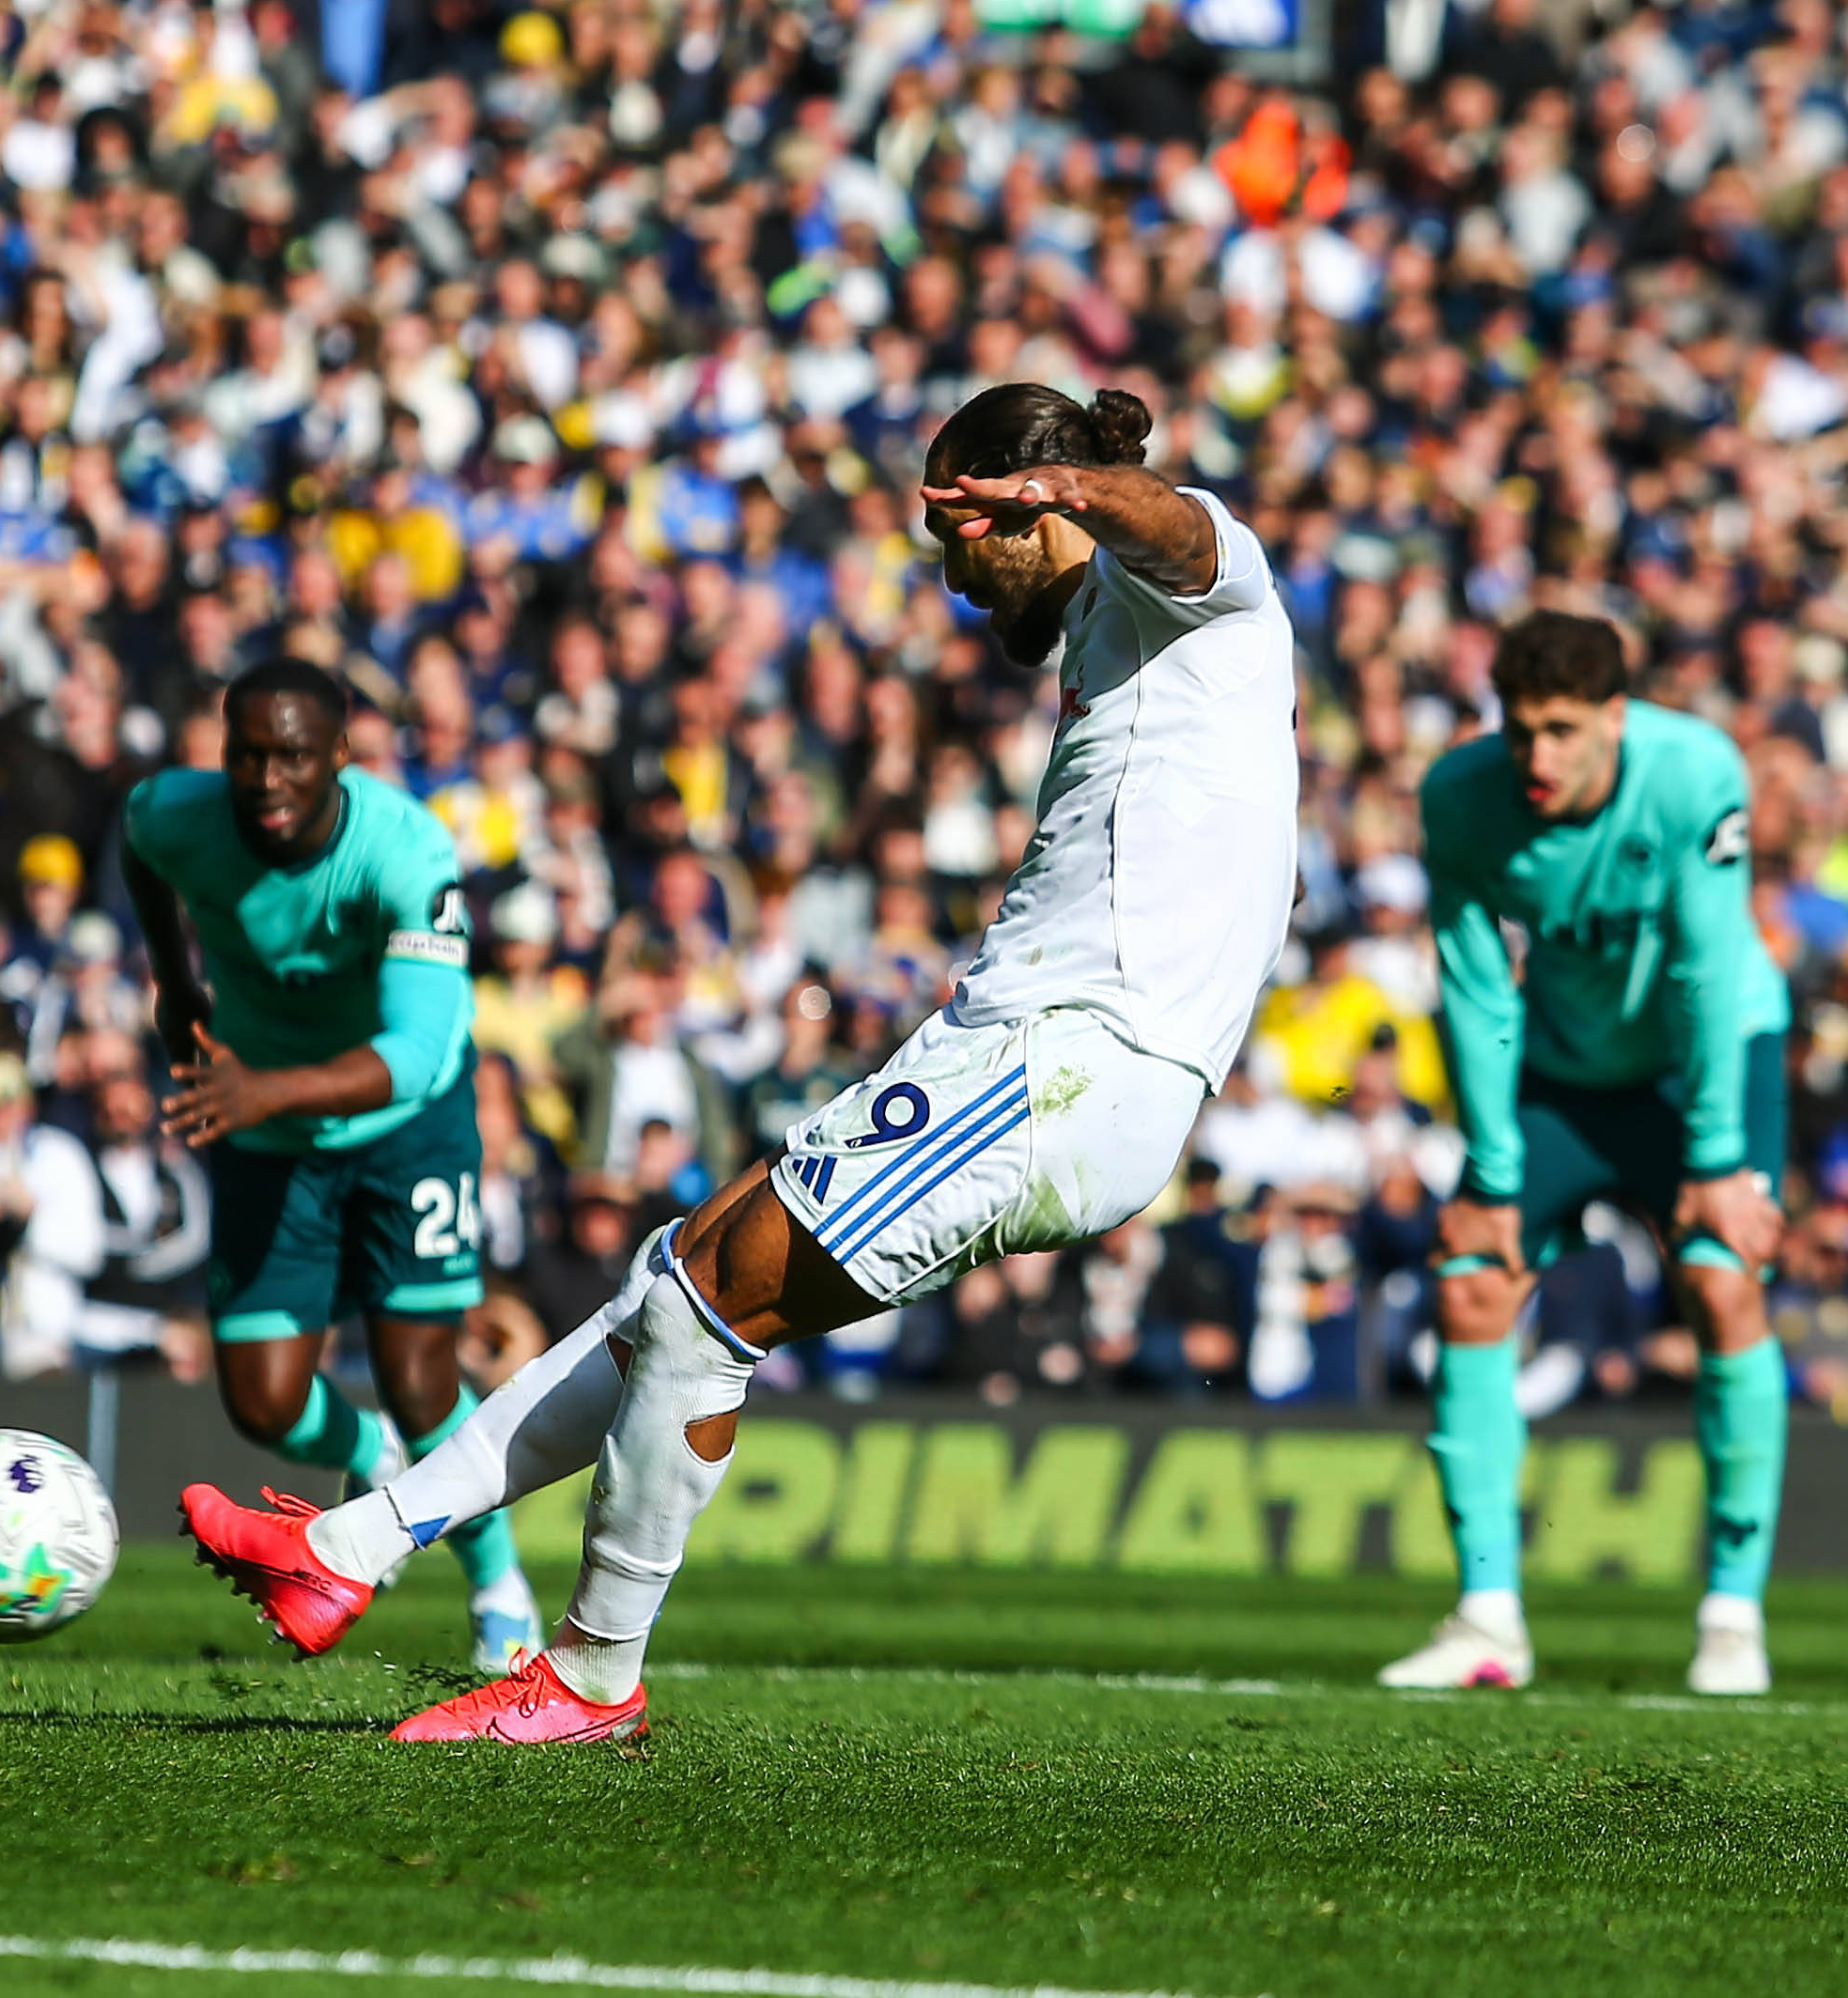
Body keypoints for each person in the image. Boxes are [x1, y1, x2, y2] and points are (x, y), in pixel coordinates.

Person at [181, 384, 1299, 1742]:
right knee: (676, 1274)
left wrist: (1061, 489)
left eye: (955, 530)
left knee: (709, 1302)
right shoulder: (1106, 626)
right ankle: (350, 1547)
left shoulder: (1199, 588)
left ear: (1025, 504)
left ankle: (590, 1677)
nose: (949, 577)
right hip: (1014, 1048)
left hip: (1076, 1059)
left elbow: (1179, 529)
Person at [1382, 612, 1792, 1696]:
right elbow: (1472, 991)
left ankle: (1732, 1619)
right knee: (1472, 1284)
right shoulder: (1463, 797)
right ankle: (1486, 1618)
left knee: (1719, 1274)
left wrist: (1713, 1161)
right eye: (1520, 732)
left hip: (1703, 1061)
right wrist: (1492, 1172)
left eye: (1564, 731)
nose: (1540, 759)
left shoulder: (1696, 771)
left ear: (1617, 716)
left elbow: (1707, 970)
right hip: (1563, 1068)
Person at [124, 655, 544, 1676]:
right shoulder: (175, 814)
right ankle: (378, 1465)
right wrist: (177, 985)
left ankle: (498, 1583)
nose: (267, 780)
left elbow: (411, 1052)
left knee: (417, 1375)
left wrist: (263, 1089)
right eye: (248, 756)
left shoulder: (403, 851)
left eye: (294, 758)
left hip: (408, 1127)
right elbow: (141, 847)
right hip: (268, 1129)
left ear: (341, 760)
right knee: (262, 1402)